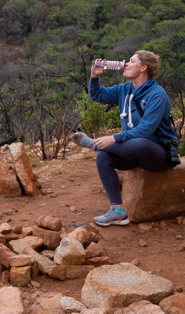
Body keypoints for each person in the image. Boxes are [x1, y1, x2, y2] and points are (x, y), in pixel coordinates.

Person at [72, 50, 179, 227]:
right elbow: (96, 95)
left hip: (158, 154)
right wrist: (94, 76)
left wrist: (113, 138)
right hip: (132, 153)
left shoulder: (157, 94)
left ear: (143, 68)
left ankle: (93, 144)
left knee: (141, 143)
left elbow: (145, 130)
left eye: (131, 61)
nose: (126, 64)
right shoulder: (125, 90)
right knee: (103, 157)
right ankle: (118, 211)